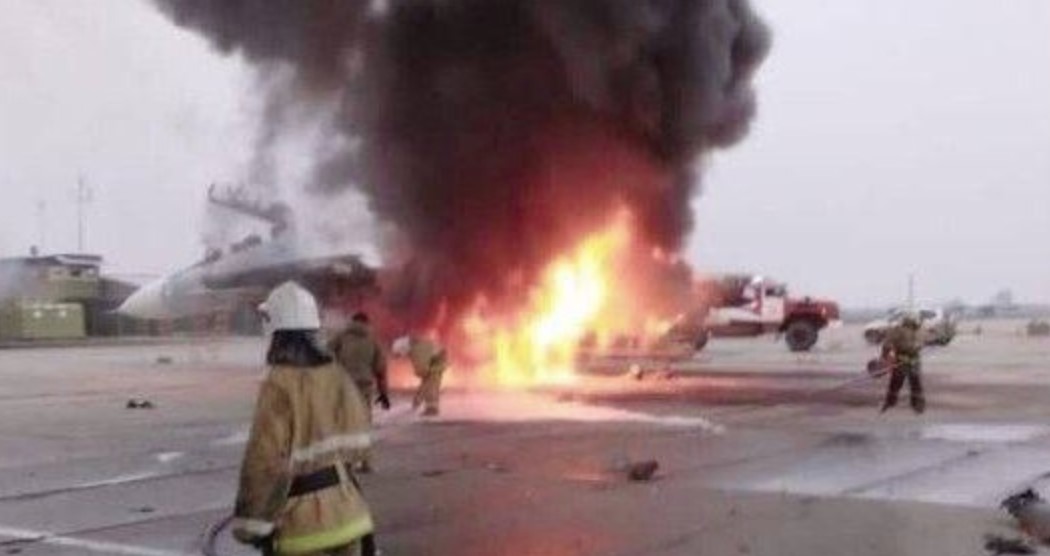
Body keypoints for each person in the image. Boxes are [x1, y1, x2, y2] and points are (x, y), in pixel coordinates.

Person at [233, 281, 376, 556]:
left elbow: (264, 461)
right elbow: (361, 442)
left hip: (304, 530)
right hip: (350, 516)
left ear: (274, 327)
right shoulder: (335, 374)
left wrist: (251, 526)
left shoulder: (278, 382)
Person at [328, 311, 390, 472]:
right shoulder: (373, 340)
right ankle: (366, 462)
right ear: (367, 323)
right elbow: (380, 369)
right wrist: (383, 393)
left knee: (345, 422)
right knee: (364, 423)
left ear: (352, 321)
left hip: (343, 386)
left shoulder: (341, 337)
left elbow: (325, 355)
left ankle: (347, 462)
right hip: (364, 387)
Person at [391, 334, 447, 417]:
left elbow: (422, 367)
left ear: (403, 349)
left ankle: (432, 409)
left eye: (399, 354)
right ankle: (425, 405)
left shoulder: (417, 351)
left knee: (431, 387)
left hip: (436, 364)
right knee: (429, 384)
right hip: (437, 363)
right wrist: (418, 399)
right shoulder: (417, 347)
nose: (402, 357)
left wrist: (422, 373)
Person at [879, 314, 925, 414]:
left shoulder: (919, 331)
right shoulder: (898, 330)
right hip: (901, 359)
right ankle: (890, 402)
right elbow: (887, 344)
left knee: (914, 382)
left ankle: (917, 404)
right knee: (897, 382)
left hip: (914, 359)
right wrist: (884, 357)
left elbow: (921, 343)